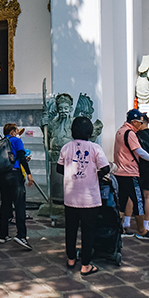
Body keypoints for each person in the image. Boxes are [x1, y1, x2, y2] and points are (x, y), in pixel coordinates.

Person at [58, 116, 111, 275]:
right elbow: (106, 168)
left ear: (72, 131)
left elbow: (59, 169)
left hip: (70, 197)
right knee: (88, 231)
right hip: (90, 199)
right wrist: (94, 174)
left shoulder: (66, 148)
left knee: (71, 229)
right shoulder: (95, 148)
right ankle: (86, 264)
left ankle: (71, 259)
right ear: (90, 131)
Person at [114, 109, 149, 239]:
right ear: (134, 122)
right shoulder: (130, 133)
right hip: (130, 172)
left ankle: (119, 229)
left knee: (122, 202)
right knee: (139, 201)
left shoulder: (120, 131)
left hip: (120, 171)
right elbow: (139, 151)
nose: (141, 125)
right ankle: (142, 231)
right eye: (140, 122)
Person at [0, 123, 34, 250]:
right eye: (16, 131)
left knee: (5, 204)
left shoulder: (0, 142)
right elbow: (22, 157)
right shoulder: (16, 141)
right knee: (19, 205)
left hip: (2, 176)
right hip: (14, 175)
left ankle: (3, 235)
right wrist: (29, 174)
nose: (18, 133)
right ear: (12, 132)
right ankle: (21, 236)